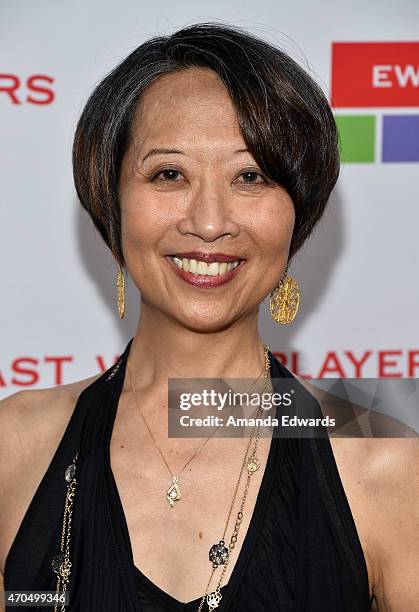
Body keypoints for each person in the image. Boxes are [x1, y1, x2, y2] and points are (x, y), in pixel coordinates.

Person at [0, 22, 418, 612]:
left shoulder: (384, 466)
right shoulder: (15, 445)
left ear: (297, 213)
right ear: (110, 199)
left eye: (250, 176)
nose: (210, 221)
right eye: (169, 174)